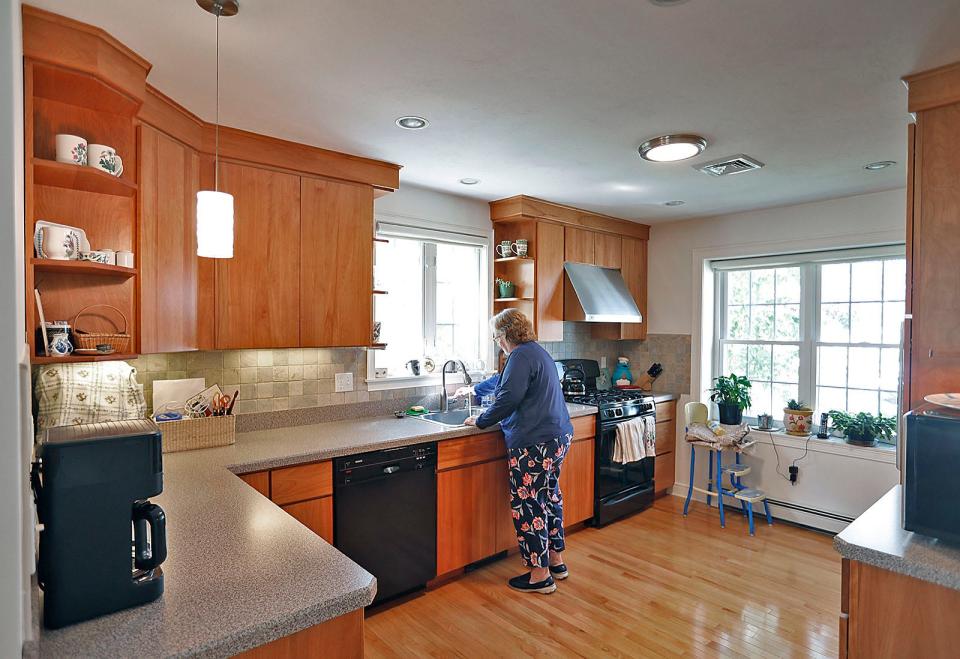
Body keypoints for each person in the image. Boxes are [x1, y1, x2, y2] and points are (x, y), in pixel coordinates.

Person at [458, 308, 573, 594]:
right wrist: (474, 391)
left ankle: (539, 575)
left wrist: (482, 420)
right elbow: (503, 381)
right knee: (548, 498)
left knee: (529, 504)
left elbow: (509, 396)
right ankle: (556, 560)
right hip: (557, 436)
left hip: (534, 441)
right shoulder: (534, 352)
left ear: (506, 334)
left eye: (497, 335)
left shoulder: (520, 356)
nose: (497, 341)